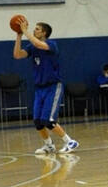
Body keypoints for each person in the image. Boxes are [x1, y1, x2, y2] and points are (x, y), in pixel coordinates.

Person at [12, 18, 79, 156]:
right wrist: (19, 35)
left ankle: (70, 141)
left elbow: (38, 44)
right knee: (38, 121)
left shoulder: (51, 44)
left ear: (44, 33)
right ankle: (49, 145)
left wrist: (25, 31)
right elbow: (17, 55)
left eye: (37, 29)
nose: (34, 30)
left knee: (48, 120)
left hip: (53, 86)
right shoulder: (32, 47)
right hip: (40, 88)